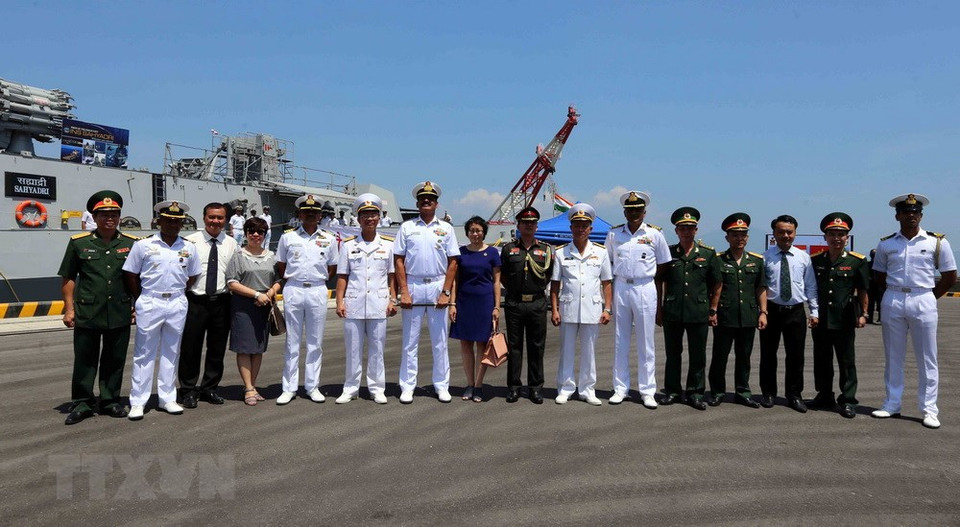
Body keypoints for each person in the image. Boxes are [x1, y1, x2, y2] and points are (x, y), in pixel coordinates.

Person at [871, 193, 957, 429]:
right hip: (894, 297)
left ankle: (929, 409)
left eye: (916, 212)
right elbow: (879, 275)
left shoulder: (936, 242)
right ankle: (891, 404)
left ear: (921, 215)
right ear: (897, 215)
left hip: (923, 297)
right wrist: (893, 293)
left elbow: (950, 275)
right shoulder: (887, 243)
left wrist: (930, 297)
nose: (911, 216)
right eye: (906, 212)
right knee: (893, 355)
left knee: (927, 357)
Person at [58, 191, 138, 424]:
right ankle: (82, 402)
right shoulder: (79, 243)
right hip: (88, 311)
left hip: (119, 310)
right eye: (103, 214)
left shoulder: (131, 244)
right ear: (94, 216)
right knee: (85, 360)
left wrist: (136, 305)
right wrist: (69, 309)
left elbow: (137, 278)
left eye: (114, 214)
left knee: (115, 359)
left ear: (120, 217)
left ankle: (109, 400)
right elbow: (68, 277)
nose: (109, 218)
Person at [122, 201, 201, 420]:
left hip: (176, 301)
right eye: (169, 220)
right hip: (150, 300)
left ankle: (167, 398)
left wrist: (177, 292)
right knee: (144, 352)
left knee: (171, 351)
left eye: (178, 221)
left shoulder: (188, 247)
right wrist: (140, 298)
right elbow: (130, 273)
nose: (174, 224)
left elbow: (193, 275)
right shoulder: (143, 245)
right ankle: (138, 401)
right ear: (159, 221)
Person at [393, 181, 459, 403]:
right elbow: (399, 260)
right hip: (413, 284)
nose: (426, 201)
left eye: (430, 199)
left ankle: (441, 385)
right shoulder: (407, 227)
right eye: (423, 199)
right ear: (417, 203)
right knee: (409, 341)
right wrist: (404, 291)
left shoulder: (447, 229)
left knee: (439, 340)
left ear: (437, 204)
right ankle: (408, 386)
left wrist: (446, 292)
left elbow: (453, 263)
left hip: (437, 285)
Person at [604, 190, 670, 408]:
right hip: (621, 285)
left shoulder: (655, 234)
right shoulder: (614, 235)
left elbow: (663, 264)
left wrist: (647, 278)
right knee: (620, 339)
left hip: (644, 287)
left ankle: (647, 390)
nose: (634, 214)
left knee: (646, 341)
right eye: (630, 210)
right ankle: (620, 388)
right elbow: (608, 263)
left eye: (638, 210)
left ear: (645, 211)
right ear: (625, 212)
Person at [275, 195, 340, 405]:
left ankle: (312, 386)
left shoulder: (329, 239)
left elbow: (331, 268)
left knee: (315, 342)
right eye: (306, 212)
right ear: (300, 214)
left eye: (314, 212)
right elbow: (282, 266)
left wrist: (315, 280)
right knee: (292, 341)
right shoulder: (288, 238)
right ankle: (289, 387)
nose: (310, 215)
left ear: (320, 215)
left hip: (317, 290)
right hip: (293, 288)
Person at [334, 193, 397, 404]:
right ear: (358, 219)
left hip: (379, 303)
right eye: (365, 215)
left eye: (373, 215)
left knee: (377, 349)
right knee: (353, 349)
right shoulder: (348, 245)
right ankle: (350, 388)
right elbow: (342, 275)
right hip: (354, 302)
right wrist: (339, 301)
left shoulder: (388, 245)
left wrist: (392, 299)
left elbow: (392, 276)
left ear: (379, 218)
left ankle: (377, 388)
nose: (370, 219)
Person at [658, 207, 721, 411]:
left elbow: (717, 284)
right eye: (682, 228)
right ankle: (673, 391)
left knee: (697, 355)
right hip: (673, 311)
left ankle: (695, 392)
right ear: (676, 231)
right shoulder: (668, 253)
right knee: (673, 353)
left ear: (696, 230)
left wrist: (713, 309)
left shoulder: (708, 254)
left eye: (690, 228)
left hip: (698, 312)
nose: (686, 231)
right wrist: (659, 308)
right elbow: (659, 280)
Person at [550, 203, 613, 406]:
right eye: (576, 225)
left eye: (584, 225)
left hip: (593, 309)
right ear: (571, 228)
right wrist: (554, 309)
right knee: (566, 350)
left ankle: (587, 389)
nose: (580, 229)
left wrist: (607, 309)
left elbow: (606, 283)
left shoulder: (601, 252)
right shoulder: (561, 252)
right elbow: (555, 284)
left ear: (590, 229)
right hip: (568, 307)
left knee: (589, 351)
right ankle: (566, 388)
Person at [810, 213, 870, 419]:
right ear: (825, 237)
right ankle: (825, 395)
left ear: (847, 237)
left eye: (841, 234)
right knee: (822, 360)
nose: (837, 238)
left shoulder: (857, 262)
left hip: (844, 319)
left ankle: (848, 400)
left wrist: (864, 313)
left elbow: (863, 289)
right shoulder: (816, 261)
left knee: (846, 361)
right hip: (821, 320)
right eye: (832, 234)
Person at [178, 203, 238, 409]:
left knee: (217, 348)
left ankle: (209, 388)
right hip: (195, 300)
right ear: (204, 218)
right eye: (212, 217)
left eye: (220, 218)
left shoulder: (231, 243)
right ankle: (187, 389)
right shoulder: (190, 241)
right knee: (190, 348)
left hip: (222, 301)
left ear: (225, 220)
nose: (215, 221)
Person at [759, 214, 819, 412]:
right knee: (768, 354)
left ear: (795, 233)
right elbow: (761, 287)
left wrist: (814, 311)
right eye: (781, 232)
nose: (785, 235)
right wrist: (763, 312)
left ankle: (794, 395)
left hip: (795, 312)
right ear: (774, 234)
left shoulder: (803, 257)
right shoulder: (765, 257)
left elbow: (810, 286)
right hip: (772, 311)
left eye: (789, 232)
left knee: (796, 356)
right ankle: (768, 393)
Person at [707, 213, 766, 408]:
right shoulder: (718, 260)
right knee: (720, 356)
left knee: (744, 357)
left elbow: (761, 288)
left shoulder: (756, 261)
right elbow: (714, 287)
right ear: (727, 237)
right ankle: (717, 391)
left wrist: (763, 312)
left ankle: (743, 392)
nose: (739, 239)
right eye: (735, 235)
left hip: (748, 316)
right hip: (725, 315)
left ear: (747, 237)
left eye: (743, 235)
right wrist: (713, 311)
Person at [500, 207, 554, 404]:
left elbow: (548, 275)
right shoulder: (508, 249)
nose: (529, 225)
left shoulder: (546, 250)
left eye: (532, 223)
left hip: (537, 303)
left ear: (537, 225)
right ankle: (514, 386)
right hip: (515, 303)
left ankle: (535, 387)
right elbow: (503, 276)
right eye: (525, 222)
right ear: (518, 225)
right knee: (514, 346)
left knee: (536, 346)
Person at [226, 216, 281, 406]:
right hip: (244, 307)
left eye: (260, 232)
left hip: (264, 306)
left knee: (258, 349)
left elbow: (279, 279)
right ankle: (248, 388)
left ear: (265, 235)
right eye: (251, 231)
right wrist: (257, 295)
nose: (256, 235)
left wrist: (270, 293)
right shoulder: (239, 256)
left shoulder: (272, 257)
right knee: (244, 348)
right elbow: (232, 282)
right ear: (246, 234)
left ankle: (253, 385)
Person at [449, 216, 502, 403]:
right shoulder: (460, 252)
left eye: (478, 230)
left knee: (482, 345)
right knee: (465, 344)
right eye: (472, 230)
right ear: (467, 233)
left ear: (484, 232)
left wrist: (496, 306)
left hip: (484, 302)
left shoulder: (493, 253)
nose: (475, 234)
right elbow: (455, 281)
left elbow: (496, 282)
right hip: (464, 301)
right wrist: (452, 304)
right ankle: (469, 383)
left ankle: (479, 385)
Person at [867, 249, 882, 324]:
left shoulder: (881, 265)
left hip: (879, 287)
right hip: (870, 287)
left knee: (880, 303)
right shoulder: (867, 264)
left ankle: (880, 318)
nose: (874, 256)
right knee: (870, 304)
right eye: (873, 254)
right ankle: (869, 318)